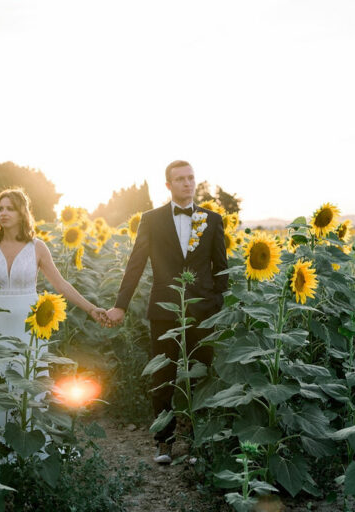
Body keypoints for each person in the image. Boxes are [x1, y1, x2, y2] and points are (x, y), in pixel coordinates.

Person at [105, 160, 228, 464]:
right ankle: (164, 441)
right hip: (164, 308)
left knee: (202, 374)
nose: (187, 183)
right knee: (163, 376)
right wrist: (120, 305)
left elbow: (221, 268)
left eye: (191, 178)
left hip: (203, 311)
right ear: (168, 185)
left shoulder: (212, 220)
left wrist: (215, 304)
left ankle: (200, 442)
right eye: (180, 179)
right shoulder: (152, 219)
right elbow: (136, 264)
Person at [0, 188, 107, 430]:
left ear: (22, 212)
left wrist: (91, 309)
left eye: (10, 208)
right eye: (0, 209)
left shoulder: (37, 247)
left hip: (30, 324)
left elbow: (60, 284)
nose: (3, 213)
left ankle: (32, 450)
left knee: (31, 380)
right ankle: (2, 448)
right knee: (1, 383)